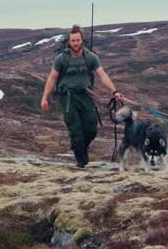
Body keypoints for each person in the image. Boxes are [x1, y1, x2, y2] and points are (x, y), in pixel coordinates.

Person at [40, 24, 123, 167]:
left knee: (91, 129)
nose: (76, 43)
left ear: (82, 40)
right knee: (75, 131)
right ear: (69, 42)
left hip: (86, 97)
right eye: (73, 41)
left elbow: (102, 75)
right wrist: (44, 97)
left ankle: (78, 148)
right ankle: (81, 162)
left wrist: (114, 92)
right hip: (69, 98)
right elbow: (52, 78)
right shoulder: (61, 59)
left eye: (78, 40)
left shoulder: (91, 57)